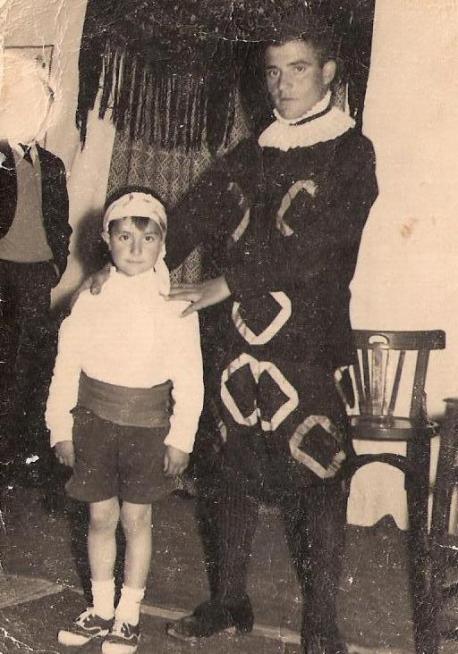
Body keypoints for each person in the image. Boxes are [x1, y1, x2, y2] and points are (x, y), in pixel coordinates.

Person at [161, 13, 378, 654]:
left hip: (306, 344)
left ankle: (322, 624)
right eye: (273, 72)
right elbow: (188, 218)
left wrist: (228, 282)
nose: (282, 84)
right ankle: (229, 601)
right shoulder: (249, 151)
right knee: (228, 471)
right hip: (237, 345)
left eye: (298, 69)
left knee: (318, 473)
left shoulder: (352, 152)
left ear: (329, 73)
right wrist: (130, 269)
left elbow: (321, 247)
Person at [45, 190, 204, 653]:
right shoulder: (90, 297)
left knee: (137, 520)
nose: (136, 248)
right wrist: (60, 428)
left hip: (148, 430)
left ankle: (128, 616)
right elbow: (65, 367)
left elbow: (190, 380)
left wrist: (181, 439)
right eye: (124, 237)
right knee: (100, 517)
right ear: (106, 238)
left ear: (163, 243)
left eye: (148, 238)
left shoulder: (175, 304)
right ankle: (101, 609)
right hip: (94, 424)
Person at [0, 51, 71, 462]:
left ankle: (12, 455)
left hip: (36, 276)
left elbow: (61, 223)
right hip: (2, 273)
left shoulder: (54, 165)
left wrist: (57, 265)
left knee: (26, 369)